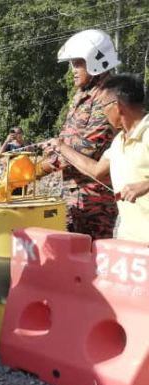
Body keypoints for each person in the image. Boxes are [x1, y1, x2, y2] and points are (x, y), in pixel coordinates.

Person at [37, 29, 120, 240]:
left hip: (95, 203)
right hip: (74, 195)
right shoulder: (82, 94)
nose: (72, 70)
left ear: (95, 62)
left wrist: (35, 170)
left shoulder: (107, 98)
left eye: (77, 63)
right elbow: (67, 139)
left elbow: (87, 148)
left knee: (92, 258)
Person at [52, 74, 149, 244]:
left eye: (103, 106)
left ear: (117, 106)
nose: (103, 112)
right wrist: (61, 147)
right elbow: (95, 171)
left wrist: (145, 185)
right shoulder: (119, 141)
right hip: (129, 242)